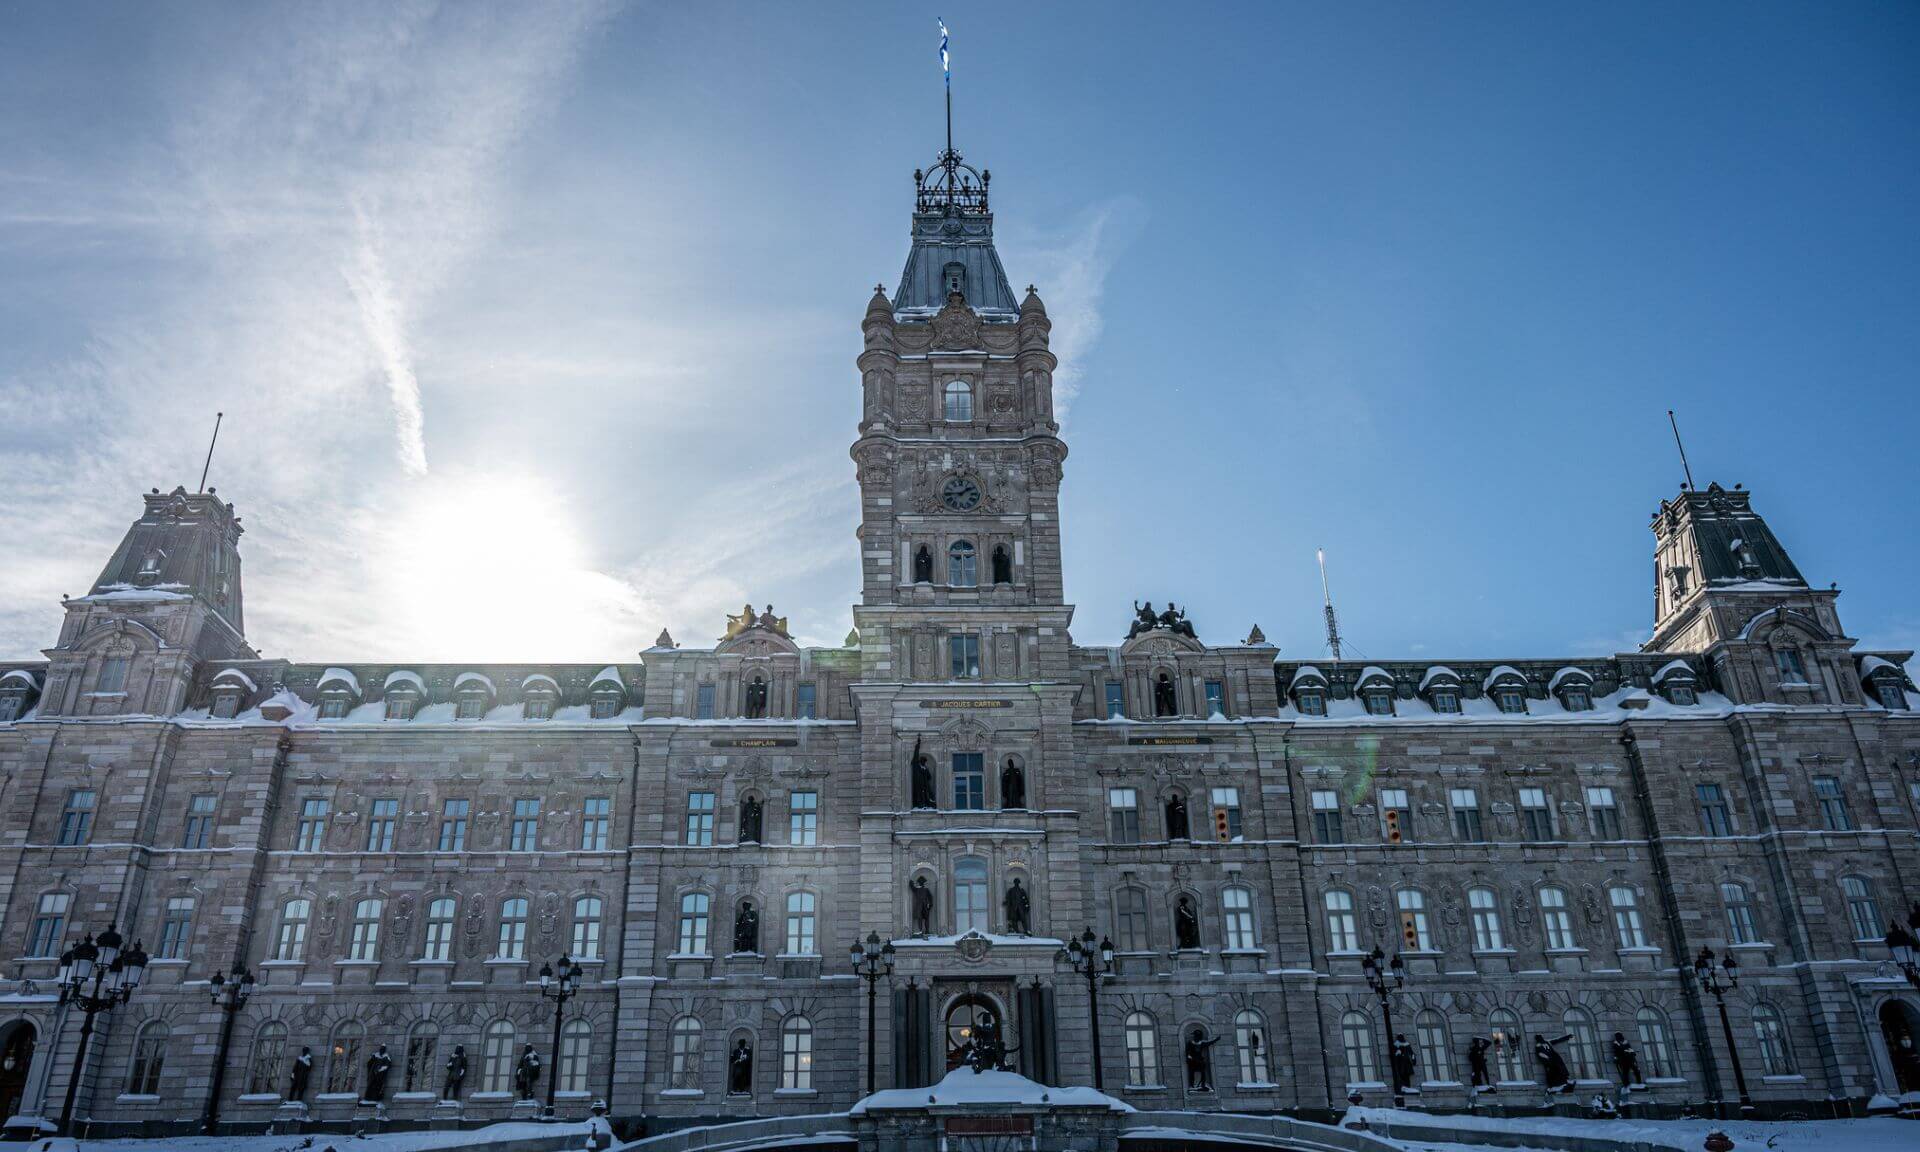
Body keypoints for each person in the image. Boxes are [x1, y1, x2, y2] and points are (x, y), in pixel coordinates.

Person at [910, 738, 937, 809]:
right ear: (920, 761)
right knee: (920, 795)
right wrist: (917, 746)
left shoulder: (925, 768)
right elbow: (915, 755)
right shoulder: (916, 766)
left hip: (925, 785)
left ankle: (927, 803)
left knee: (927, 794)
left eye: (924, 762)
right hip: (918, 785)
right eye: (923, 761)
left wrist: (926, 773)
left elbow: (929, 777)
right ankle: (920, 804)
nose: (924, 763)